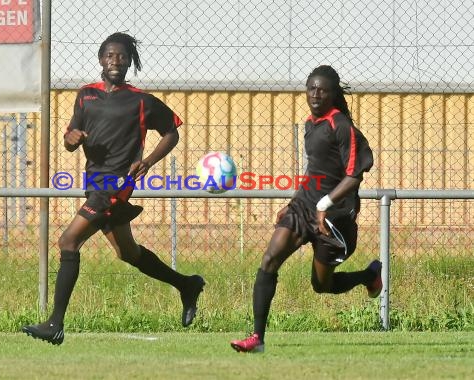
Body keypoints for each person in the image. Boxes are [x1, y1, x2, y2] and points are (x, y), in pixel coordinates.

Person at [22, 32, 205, 345]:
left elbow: (171, 132)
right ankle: (187, 285)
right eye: (110, 55)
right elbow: (69, 137)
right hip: (94, 183)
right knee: (127, 253)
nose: (115, 61)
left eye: (122, 56)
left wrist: (147, 161)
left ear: (129, 61)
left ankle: (55, 324)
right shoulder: (85, 95)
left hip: (116, 184)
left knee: (68, 241)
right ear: (100, 60)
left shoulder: (141, 101)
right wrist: (71, 138)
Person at [230, 65, 382, 353]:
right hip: (303, 207)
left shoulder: (342, 126)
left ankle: (369, 276)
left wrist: (325, 205)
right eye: (311, 88)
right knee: (269, 261)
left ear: (333, 93)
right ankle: (257, 338)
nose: (315, 93)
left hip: (335, 216)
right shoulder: (310, 124)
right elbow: (315, 173)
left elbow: (354, 176)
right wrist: (293, 203)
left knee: (322, 285)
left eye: (322, 89)